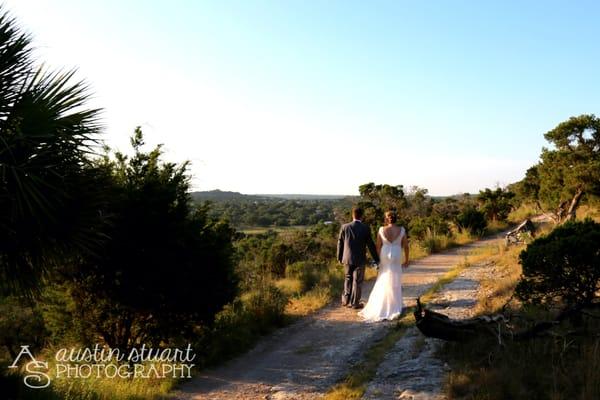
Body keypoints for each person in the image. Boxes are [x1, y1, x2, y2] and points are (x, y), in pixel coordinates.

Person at [358, 210, 409, 322]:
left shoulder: (381, 229)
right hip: (396, 254)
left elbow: (378, 246)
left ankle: (382, 304)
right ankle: (394, 305)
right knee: (395, 279)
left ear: (386, 219)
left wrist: (378, 259)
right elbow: (406, 246)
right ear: (395, 219)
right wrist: (407, 259)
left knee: (383, 278)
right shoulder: (402, 230)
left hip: (385, 254)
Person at [337, 207, 380, 309]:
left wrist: (339, 257)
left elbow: (340, 243)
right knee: (357, 281)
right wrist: (377, 259)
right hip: (360, 259)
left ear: (353, 215)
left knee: (348, 278)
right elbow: (370, 245)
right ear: (361, 216)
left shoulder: (344, 227)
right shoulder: (365, 228)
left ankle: (346, 301)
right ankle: (355, 303)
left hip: (347, 258)